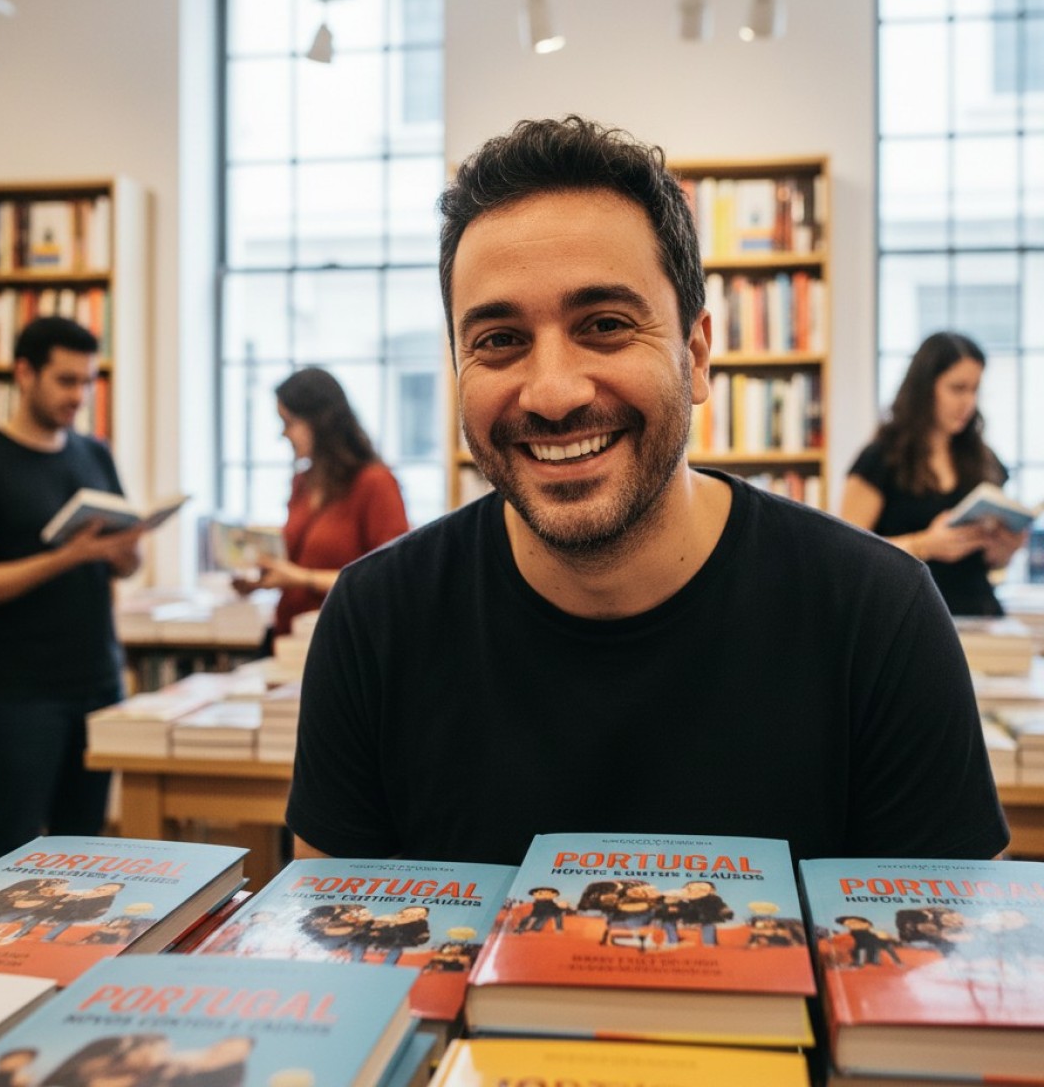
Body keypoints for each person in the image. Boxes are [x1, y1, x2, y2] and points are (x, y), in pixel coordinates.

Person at [285, 115, 1009, 868]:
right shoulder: (373, 622)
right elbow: (340, 958)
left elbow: (946, 969)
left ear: (696, 356)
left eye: (603, 324)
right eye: (499, 340)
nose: (554, 393)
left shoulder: (877, 616)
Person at [0, 316, 146, 863]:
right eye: (65, 381)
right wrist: (65, 557)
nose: (79, 396)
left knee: (83, 850)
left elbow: (123, 565)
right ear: (23, 373)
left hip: (97, 681)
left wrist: (126, 551)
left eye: (86, 382)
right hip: (20, 692)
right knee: (14, 850)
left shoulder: (94, 454)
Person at [839, 331, 1026, 616]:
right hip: (911, 617)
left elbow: (991, 564)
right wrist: (925, 544)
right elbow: (847, 555)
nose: (968, 402)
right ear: (925, 388)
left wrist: (1004, 550)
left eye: (975, 389)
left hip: (981, 616)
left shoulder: (985, 460)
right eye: (957, 388)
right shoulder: (881, 459)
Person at [232, 366, 409, 639]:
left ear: (319, 421)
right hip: (289, 638)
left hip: (343, 640)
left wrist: (301, 578)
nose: (284, 434)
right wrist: (261, 581)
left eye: (289, 422)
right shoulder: (303, 483)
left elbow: (389, 580)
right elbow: (294, 563)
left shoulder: (375, 483)